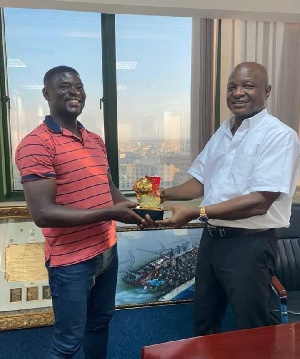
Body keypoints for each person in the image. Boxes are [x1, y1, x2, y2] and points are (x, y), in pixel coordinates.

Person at [156, 62, 300, 336]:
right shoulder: (224, 131)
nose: (238, 93)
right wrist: (159, 196)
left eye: (248, 85)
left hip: (249, 245)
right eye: (232, 86)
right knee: (204, 318)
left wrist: (196, 213)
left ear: (266, 91)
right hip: (212, 241)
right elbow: (199, 183)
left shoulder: (279, 136)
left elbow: (259, 201)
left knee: (252, 326)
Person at [15, 65, 148, 359]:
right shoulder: (36, 144)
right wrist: (109, 212)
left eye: (78, 86)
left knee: (99, 324)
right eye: (63, 87)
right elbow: (44, 214)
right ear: (46, 94)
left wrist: (141, 211)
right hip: (71, 261)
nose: (73, 91)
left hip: (106, 251)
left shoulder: (95, 140)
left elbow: (109, 189)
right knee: (67, 342)